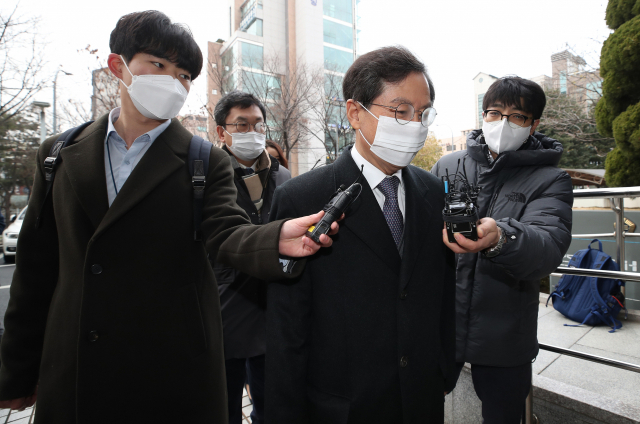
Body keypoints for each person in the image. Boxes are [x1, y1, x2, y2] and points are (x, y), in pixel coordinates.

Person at [0, 11, 337, 424]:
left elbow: (227, 231)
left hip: (170, 369)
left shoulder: (203, 160)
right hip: (74, 365)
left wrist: (274, 238)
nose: (172, 82)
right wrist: (16, 372)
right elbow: (35, 270)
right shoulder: (58, 153)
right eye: (158, 65)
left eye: (183, 75)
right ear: (117, 66)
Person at [265, 46, 456, 424]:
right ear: (355, 112)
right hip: (342, 406)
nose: (416, 124)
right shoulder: (302, 197)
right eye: (401, 111)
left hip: (421, 399)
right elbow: (287, 326)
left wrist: (444, 367)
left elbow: (443, 291)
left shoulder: (434, 192)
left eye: (423, 113)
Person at [431, 76, 573, 423]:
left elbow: (547, 247)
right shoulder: (449, 165)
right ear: (483, 116)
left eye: (518, 116)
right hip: (440, 323)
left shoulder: (551, 179)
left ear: (534, 124)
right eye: (495, 113)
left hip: (504, 333)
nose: (504, 123)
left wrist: (500, 237)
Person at [212, 90, 291, 424]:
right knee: (224, 406)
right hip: (226, 306)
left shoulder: (282, 177)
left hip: (273, 306)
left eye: (258, 124)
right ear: (221, 131)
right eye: (241, 125)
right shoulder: (208, 175)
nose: (252, 133)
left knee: (271, 404)